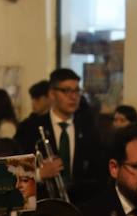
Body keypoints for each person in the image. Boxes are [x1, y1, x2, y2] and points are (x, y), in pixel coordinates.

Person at [14, 68, 104, 203]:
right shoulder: (30, 128)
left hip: (82, 206)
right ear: (51, 94)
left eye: (76, 91)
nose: (73, 97)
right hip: (44, 205)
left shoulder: (89, 128)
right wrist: (39, 174)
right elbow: (13, 171)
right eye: (66, 91)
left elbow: (98, 172)